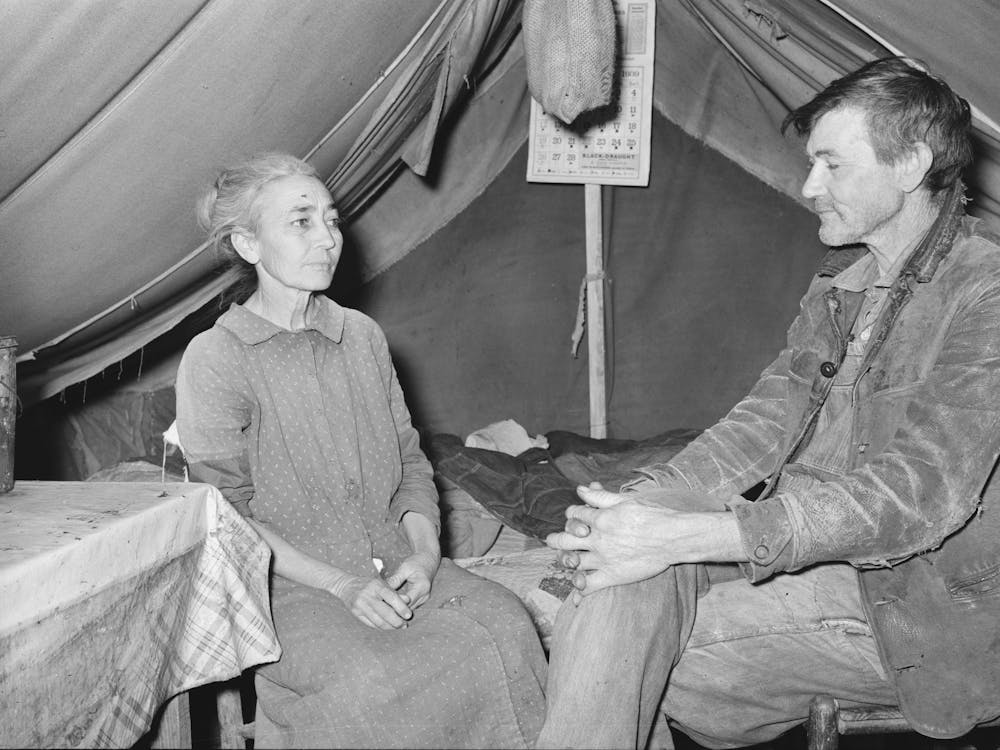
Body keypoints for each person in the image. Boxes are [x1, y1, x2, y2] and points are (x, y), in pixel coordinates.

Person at [540, 56, 1000, 749]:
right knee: (614, 585)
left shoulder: (987, 292)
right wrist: (640, 507)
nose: (809, 185)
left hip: (917, 603)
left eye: (832, 165)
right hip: (803, 551)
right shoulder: (842, 285)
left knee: (629, 653)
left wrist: (694, 536)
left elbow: (918, 497)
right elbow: (760, 425)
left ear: (910, 165)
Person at [175, 153, 546, 749]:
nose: (327, 238)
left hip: (399, 564)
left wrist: (424, 559)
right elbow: (228, 516)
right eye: (301, 222)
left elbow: (411, 464)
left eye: (332, 219)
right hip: (290, 589)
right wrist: (341, 587)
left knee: (505, 622)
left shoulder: (362, 337)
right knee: (367, 681)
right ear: (248, 244)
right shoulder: (218, 359)